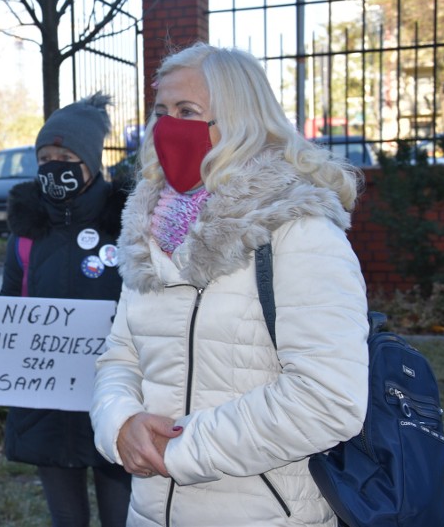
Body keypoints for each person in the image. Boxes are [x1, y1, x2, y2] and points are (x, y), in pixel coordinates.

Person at [90, 43, 370, 526]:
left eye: (188, 111)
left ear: (241, 120)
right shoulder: (148, 231)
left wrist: (178, 448)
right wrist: (120, 426)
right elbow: (120, 356)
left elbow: (329, 398)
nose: (168, 126)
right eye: (161, 112)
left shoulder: (297, 229)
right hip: (151, 512)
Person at [0, 92, 132, 527]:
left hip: (114, 404)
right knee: (66, 519)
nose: (53, 165)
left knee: (123, 518)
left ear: (92, 162)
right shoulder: (26, 233)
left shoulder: (128, 226)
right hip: (47, 408)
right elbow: (11, 299)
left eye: (65, 155)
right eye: (45, 156)